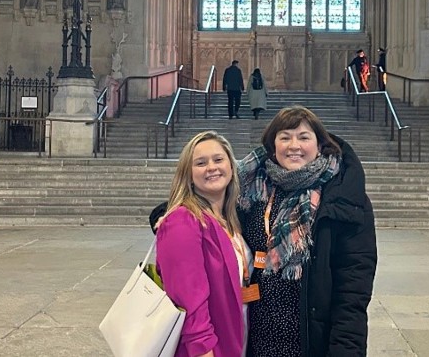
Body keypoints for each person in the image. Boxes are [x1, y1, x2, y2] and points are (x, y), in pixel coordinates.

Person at [237, 106, 377, 356]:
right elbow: (209, 208)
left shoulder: (342, 196)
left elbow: (352, 290)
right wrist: (173, 218)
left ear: (319, 144)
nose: (294, 145)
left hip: (312, 340)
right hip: (256, 336)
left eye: (303, 137)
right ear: (273, 145)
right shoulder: (253, 188)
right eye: (284, 137)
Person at [155, 131, 250, 357]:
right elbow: (188, 296)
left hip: (236, 337)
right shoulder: (182, 220)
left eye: (218, 159)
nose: (211, 167)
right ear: (188, 175)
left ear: (231, 166)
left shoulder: (231, 219)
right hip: (206, 348)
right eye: (200, 163)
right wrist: (202, 348)